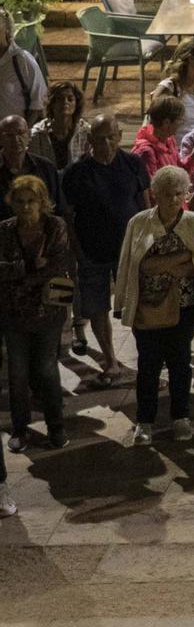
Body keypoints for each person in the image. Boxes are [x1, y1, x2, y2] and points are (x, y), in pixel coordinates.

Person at [114, 165, 194, 445]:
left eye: (178, 193)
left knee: (181, 362)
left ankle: (181, 417)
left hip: (184, 306)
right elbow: (137, 265)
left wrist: (163, 265)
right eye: (166, 194)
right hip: (148, 306)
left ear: (186, 193)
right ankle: (145, 421)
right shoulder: (139, 222)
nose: (172, 200)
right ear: (154, 194)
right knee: (148, 364)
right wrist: (177, 261)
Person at [64, 115, 149, 383]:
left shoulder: (133, 164)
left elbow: (145, 207)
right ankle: (110, 360)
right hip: (92, 251)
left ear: (119, 135)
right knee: (97, 306)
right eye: (100, 138)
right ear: (90, 141)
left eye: (111, 136)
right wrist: (77, 251)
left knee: (137, 306)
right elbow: (68, 216)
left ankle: (146, 360)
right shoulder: (77, 173)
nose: (107, 143)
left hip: (129, 251)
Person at [0, 175, 74, 467]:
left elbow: (57, 266)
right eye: (19, 201)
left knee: (45, 369)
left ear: (43, 202)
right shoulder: (4, 231)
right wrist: (31, 266)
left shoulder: (56, 226)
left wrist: (19, 272)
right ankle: (20, 429)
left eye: (31, 201)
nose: (26, 207)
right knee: (16, 374)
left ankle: (56, 427)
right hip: (13, 314)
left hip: (47, 313)